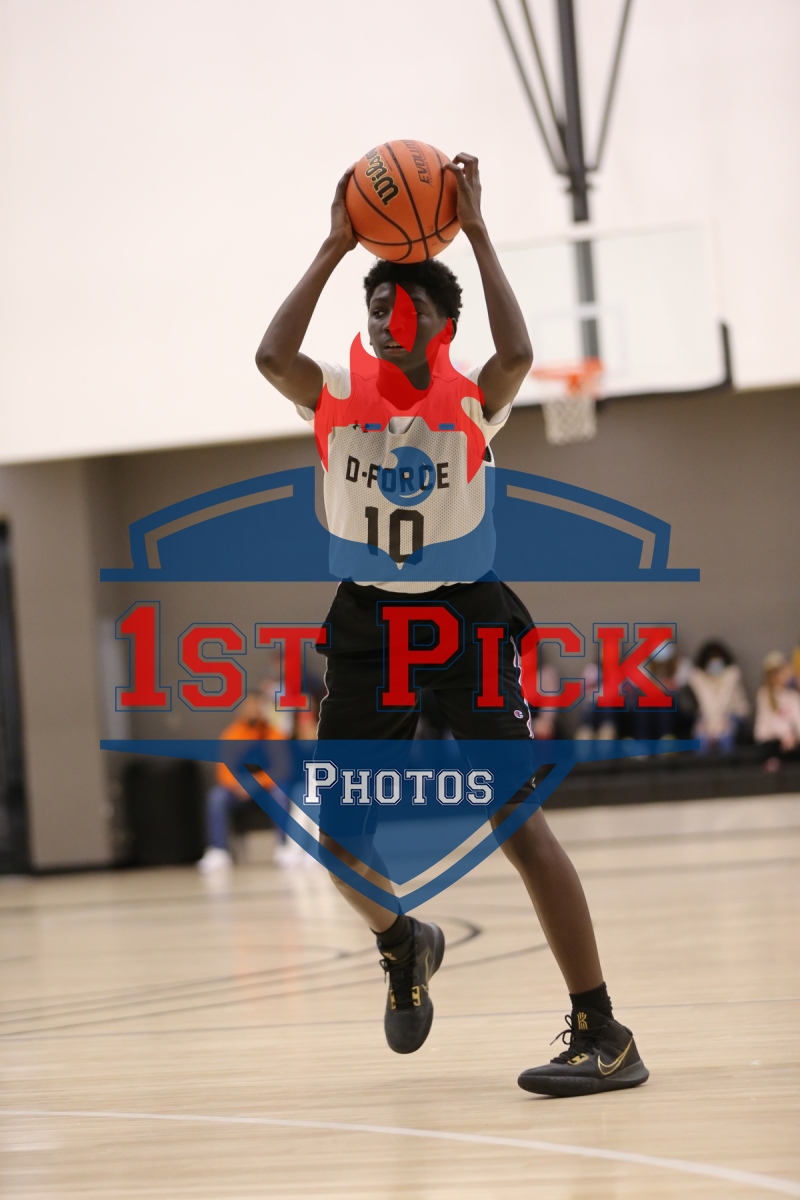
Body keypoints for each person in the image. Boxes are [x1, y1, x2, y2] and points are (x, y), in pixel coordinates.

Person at [255, 154, 648, 1097]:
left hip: (466, 620)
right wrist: (334, 247)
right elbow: (270, 357)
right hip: (366, 627)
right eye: (377, 306)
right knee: (337, 840)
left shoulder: (472, 397)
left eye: (412, 307)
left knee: (516, 823)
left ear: (444, 326)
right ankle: (404, 940)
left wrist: (475, 231)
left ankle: (604, 1030)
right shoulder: (334, 396)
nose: (391, 318)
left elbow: (518, 356)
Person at [197, 686, 289, 873]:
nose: (252, 709)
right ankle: (218, 851)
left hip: (265, 790)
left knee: (281, 793)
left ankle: (284, 847)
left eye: (256, 705)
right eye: (249, 705)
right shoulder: (232, 734)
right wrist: (239, 786)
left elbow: (281, 768)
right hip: (238, 791)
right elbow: (223, 770)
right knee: (217, 797)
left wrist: (256, 783)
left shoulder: (273, 733)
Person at [688, 639, 749, 754]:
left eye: (717, 659)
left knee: (726, 735)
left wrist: (720, 726)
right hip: (707, 718)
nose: (715, 663)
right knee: (700, 737)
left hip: (731, 715)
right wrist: (711, 727)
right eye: (711, 659)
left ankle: (729, 763)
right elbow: (706, 704)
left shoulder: (732, 675)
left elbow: (728, 703)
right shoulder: (698, 678)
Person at [754, 650, 800, 772]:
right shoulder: (764, 694)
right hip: (771, 739)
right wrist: (785, 734)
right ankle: (773, 761)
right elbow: (771, 723)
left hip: (790, 740)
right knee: (771, 748)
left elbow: (798, 719)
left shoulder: (793, 695)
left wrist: (794, 736)